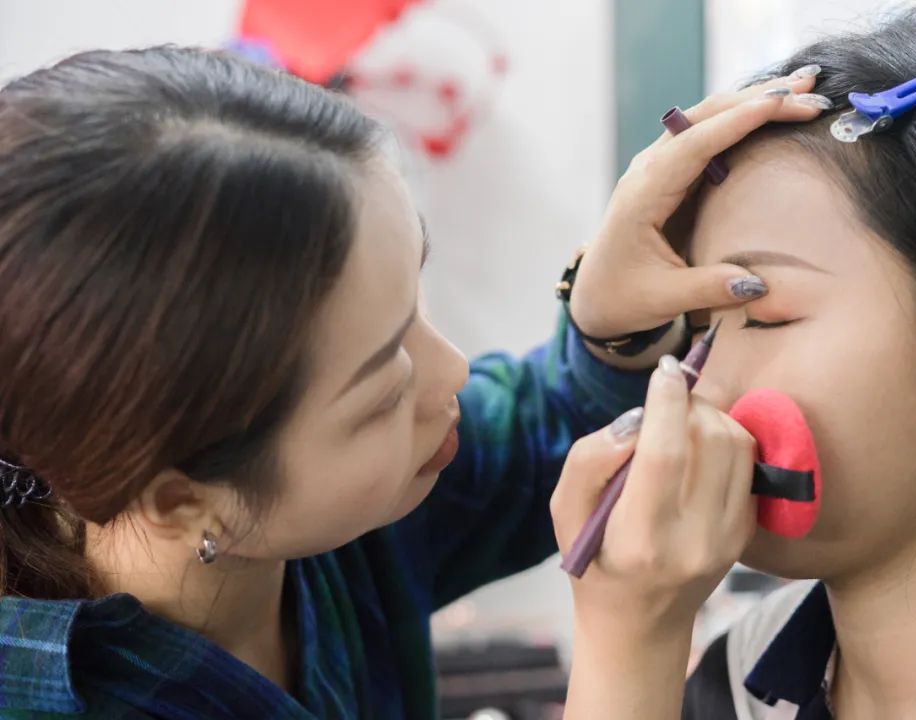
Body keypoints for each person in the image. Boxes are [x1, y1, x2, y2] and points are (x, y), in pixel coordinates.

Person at [0, 43, 828, 718]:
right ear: (183, 502)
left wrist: (611, 327)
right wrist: (631, 643)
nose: (452, 372)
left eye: (414, 311)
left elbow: (541, 433)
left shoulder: (325, 508)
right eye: (381, 388)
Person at [552, 3, 916, 719]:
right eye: (698, 330)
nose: (700, 389)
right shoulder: (741, 673)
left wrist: (628, 651)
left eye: (765, 314)